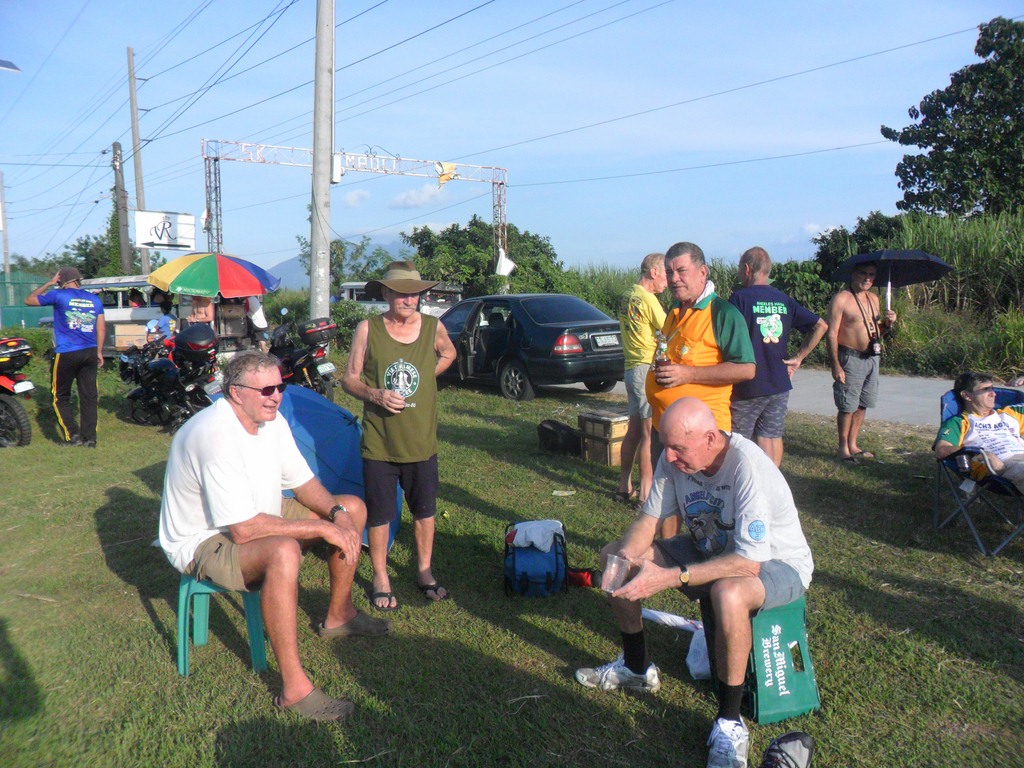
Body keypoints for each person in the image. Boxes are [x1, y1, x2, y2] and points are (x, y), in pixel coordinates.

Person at [574, 397, 814, 768]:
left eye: (678, 449)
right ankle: (636, 668)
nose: (668, 457)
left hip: (776, 561)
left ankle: (729, 723)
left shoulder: (746, 466)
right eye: (666, 446)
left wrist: (672, 577)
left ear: (710, 438)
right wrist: (624, 562)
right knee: (612, 556)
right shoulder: (674, 458)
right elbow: (648, 521)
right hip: (712, 547)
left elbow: (748, 562)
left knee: (728, 592)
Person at [159, 351, 388, 722]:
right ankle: (294, 689)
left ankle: (339, 615)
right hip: (203, 539)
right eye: (266, 390)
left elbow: (303, 482)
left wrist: (337, 516)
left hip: (256, 511)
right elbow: (243, 530)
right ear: (235, 393)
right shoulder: (213, 436)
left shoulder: (271, 421)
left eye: (280, 386)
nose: (277, 396)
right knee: (283, 551)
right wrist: (320, 527)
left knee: (353, 508)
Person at [342, 261, 457, 612]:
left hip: (421, 441)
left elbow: (449, 352)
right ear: (386, 294)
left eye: (414, 294)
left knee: (425, 510)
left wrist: (427, 373)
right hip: (380, 441)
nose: (409, 300)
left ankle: (424, 571)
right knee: (380, 513)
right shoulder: (368, 329)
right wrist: (375, 395)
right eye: (401, 294)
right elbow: (349, 378)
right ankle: (381, 576)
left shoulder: (433, 327)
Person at [645, 241, 755, 502]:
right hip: (664, 429)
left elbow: (746, 369)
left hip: (699, 438)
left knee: (704, 507)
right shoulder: (674, 311)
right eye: (669, 272)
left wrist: (688, 374)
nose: (674, 278)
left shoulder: (723, 313)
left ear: (702, 272)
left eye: (681, 271)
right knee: (666, 505)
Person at [728, 247, 828, 466]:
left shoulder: (739, 299)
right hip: (779, 382)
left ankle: (741, 480)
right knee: (771, 436)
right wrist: (799, 357)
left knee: (738, 441)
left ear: (747, 269)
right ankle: (773, 482)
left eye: (739, 269)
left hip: (748, 384)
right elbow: (821, 325)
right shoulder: (783, 299)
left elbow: (726, 337)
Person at [24, 266, 105, 447]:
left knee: (60, 395)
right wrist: (99, 352)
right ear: (78, 280)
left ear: (61, 280)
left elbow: (28, 300)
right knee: (89, 396)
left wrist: (49, 283)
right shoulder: (94, 299)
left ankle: (73, 435)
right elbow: (101, 329)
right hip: (90, 351)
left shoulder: (58, 295)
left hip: (66, 352)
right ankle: (90, 439)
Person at [825, 262, 896, 464]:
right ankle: (843, 448)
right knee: (847, 405)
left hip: (872, 357)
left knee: (863, 404)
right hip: (850, 357)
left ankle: (853, 444)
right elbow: (831, 334)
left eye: (872, 275)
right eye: (863, 273)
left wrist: (887, 324)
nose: (867, 278)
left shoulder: (873, 298)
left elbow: (876, 331)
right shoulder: (842, 298)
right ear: (853, 274)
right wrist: (836, 365)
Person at [615, 252, 667, 506]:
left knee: (634, 429)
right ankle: (646, 493)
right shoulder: (648, 299)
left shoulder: (628, 295)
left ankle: (624, 485)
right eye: (666, 274)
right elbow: (669, 329)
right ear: (654, 272)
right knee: (648, 432)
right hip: (645, 368)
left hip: (630, 367)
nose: (668, 281)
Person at [934, 371, 1024, 488]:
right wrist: (982, 455)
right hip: (1002, 464)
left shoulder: (1010, 413)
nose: (993, 394)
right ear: (966, 395)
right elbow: (941, 450)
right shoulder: (959, 422)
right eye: (986, 389)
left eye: (992, 389)